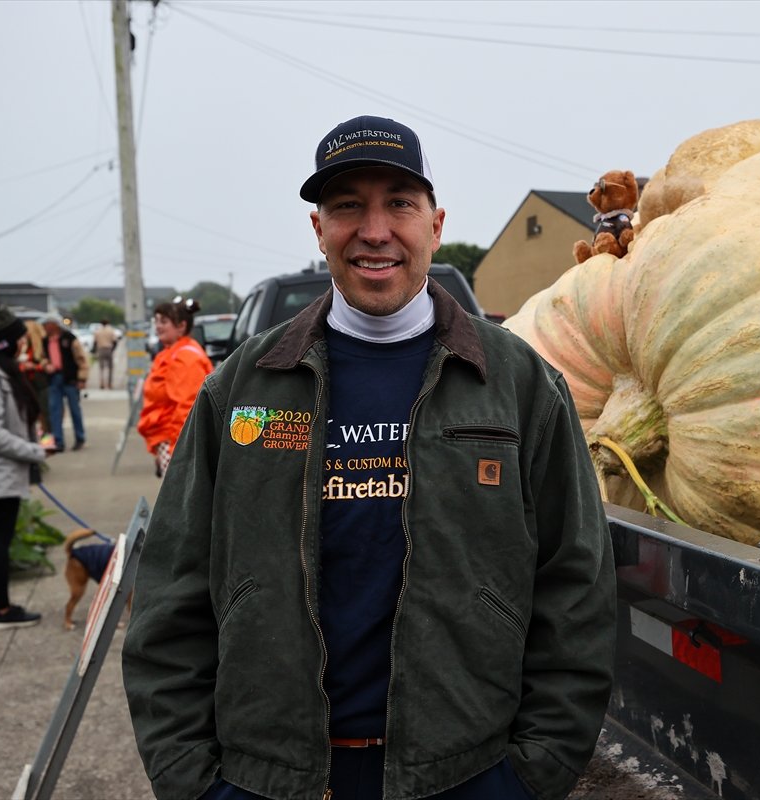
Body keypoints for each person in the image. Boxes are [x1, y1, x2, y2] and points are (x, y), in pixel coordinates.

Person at [122, 116, 616, 800]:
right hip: (269, 779)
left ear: (435, 225)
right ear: (318, 229)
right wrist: (191, 780)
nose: (374, 230)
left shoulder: (520, 385)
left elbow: (577, 585)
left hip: (467, 774)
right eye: (347, 205)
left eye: (399, 204)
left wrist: (535, 771)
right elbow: (171, 593)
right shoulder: (241, 388)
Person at [0, 297, 55, 630]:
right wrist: (34, 451)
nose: (24, 344)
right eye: (18, 338)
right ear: (2, 342)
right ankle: (2, 611)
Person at [137, 298, 212, 477]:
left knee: (175, 499)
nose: (158, 326)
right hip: (168, 439)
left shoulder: (185, 358)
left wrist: (177, 449)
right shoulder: (172, 353)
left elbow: (187, 407)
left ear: (181, 326)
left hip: (175, 442)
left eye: (164, 321)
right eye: (156, 321)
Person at [41, 316, 88, 452]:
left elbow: (81, 358)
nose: (45, 328)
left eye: (47, 325)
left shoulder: (69, 339)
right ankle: (58, 440)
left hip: (70, 378)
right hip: (53, 377)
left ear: (54, 325)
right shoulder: (44, 341)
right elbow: (42, 357)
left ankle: (80, 437)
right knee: (55, 410)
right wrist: (46, 365)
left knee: (74, 409)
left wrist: (82, 378)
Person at [93, 319, 119, 389]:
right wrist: (112, 350)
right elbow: (115, 342)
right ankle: (109, 384)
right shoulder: (111, 330)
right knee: (110, 368)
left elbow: (95, 342)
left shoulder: (97, 331)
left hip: (100, 349)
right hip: (109, 349)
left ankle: (102, 383)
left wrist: (95, 351)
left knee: (101, 368)